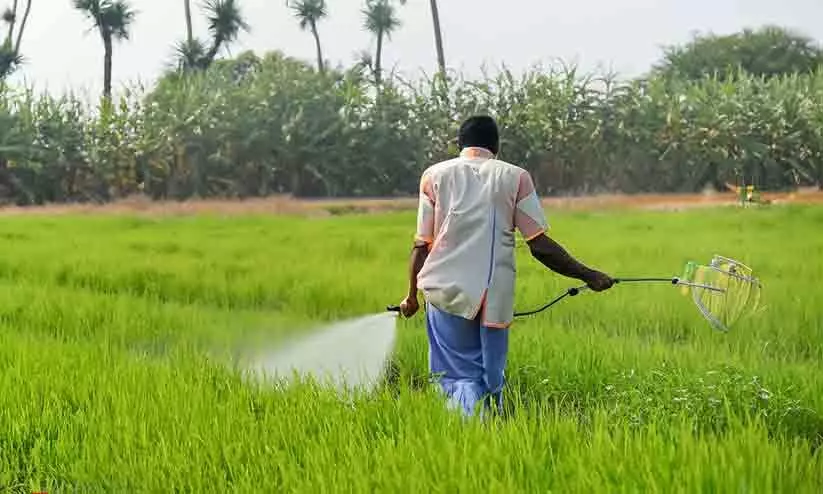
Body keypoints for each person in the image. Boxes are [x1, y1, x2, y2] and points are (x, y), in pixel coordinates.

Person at [397, 115, 615, 418]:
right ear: (496, 146)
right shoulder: (515, 177)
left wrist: (411, 296)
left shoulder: (433, 176)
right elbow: (539, 244)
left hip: (443, 291)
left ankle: (465, 432)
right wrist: (589, 275)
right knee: (490, 375)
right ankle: (490, 428)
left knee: (457, 376)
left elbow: (422, 244)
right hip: (493, 298)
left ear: (459, 144)